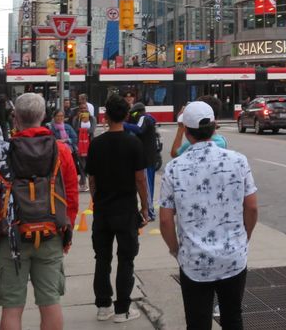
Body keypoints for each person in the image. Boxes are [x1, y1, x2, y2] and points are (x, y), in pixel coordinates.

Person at [0, 92, 78, 330]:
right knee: (50, 302)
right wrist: (65, 233)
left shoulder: (2, 153)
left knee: (12, 308)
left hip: (11, 237)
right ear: (43, 116)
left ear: (15, 119)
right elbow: (71, 197)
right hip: (50, 234)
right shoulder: (61, 151)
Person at [159, 101, 259, 330]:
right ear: (214, 127)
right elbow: (252, 208)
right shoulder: (238, 161)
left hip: (193, 261)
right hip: (233, 256)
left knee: (197, 322)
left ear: (186, 131)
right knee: (233, 318)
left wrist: (176, 250)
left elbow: (165, 220)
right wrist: (245, 236)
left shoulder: (174, 168)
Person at [85, 95, 148, 323]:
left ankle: (103, 306)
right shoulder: (133, 143)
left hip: (102, 210)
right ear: (126, 115)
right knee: (126, 259)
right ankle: (122, 309)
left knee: (102, 258)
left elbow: (92, 179)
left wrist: (96, 200)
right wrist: (145, 208)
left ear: (106, 116)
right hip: (126, 210)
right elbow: (140, 179)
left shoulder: (96, 144)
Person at [124, 101, 159, 221]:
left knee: (147, 186)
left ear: (137, 113)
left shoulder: (144, 118)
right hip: (149, 157)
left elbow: (139, 129)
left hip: (146, 158)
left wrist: (124, 124)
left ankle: (149, 212)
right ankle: (150, 210)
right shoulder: (147, 119)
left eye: (133, 114)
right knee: (149, 186)